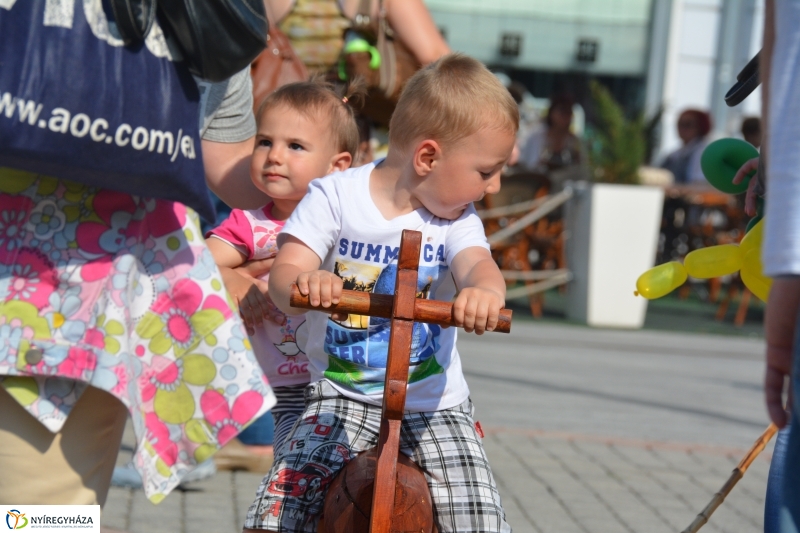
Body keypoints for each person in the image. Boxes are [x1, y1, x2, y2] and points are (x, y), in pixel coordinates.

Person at [243, 53, 516, 533]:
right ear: (428, 157)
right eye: (485, 172)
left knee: (480, 516)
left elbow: (480, 266)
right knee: (279, 510)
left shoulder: (455, 219)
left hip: (435, 403)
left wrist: (485, 294)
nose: (492, 187)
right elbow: (285, 279)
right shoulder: (333, 197)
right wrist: (309, 281)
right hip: (339, 393)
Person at [0, 60, 276, 505]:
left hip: (69, 324)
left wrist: (334, 197)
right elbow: (225, 159)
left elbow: (227, 158)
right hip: (75, 314)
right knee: (44, 514)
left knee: (45, 514)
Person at [207, 79, 360, 457]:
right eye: (264, 141)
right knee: (293, 462)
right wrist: (232, 278)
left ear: (337, 165)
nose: (275, 155)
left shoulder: (347, 227)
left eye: (295, 146)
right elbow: (200, 261)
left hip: (341, 378)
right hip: (275, 381)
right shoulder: (250, 223)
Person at [660, 109, 713, 184]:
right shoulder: (675, 153)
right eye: (680, 123)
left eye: (688, 124)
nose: (682, 128)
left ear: (700, 127)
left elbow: (697, 183)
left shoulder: (702, 151)